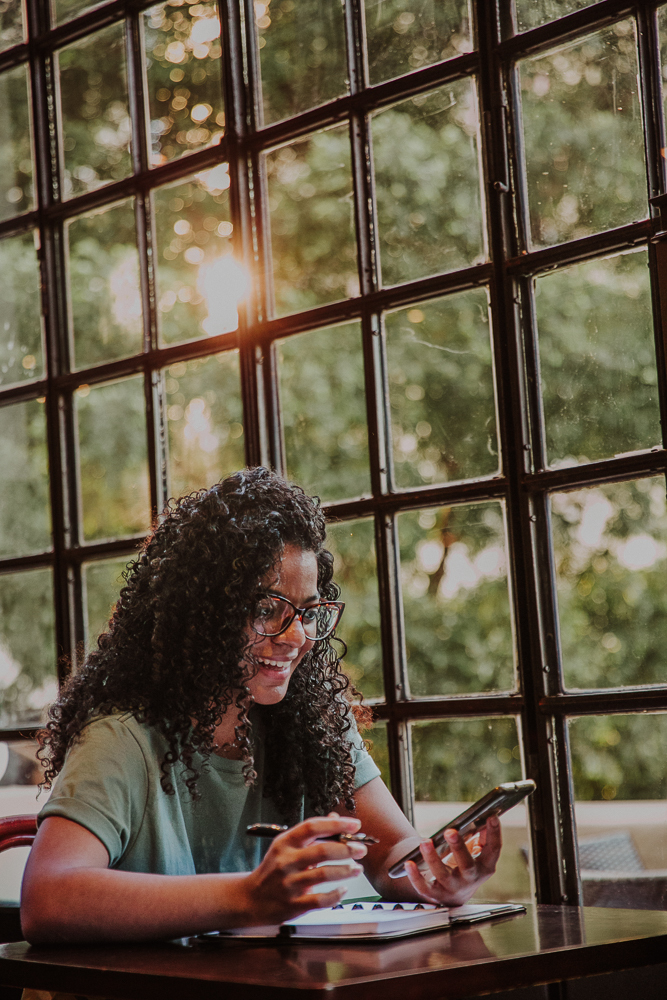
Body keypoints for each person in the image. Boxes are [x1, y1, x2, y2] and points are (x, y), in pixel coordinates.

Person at [21, 467, 501, 945]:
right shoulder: (121, 739)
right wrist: (250, 896)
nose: (295, 636)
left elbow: (393, 853)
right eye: (266, 610)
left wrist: (441, 873)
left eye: (307, 612)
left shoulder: (312, 725)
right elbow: (48, 900)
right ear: (202, 612)